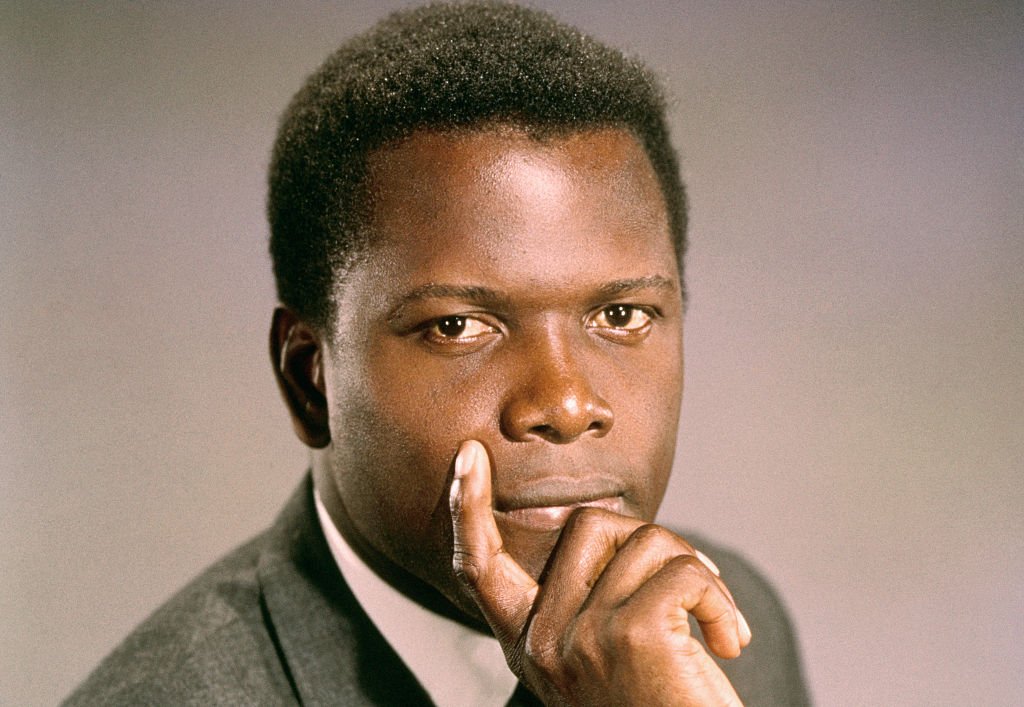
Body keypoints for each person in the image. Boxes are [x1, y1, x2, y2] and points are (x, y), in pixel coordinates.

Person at [64, 3, 809, 705]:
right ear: (309, 379)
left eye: (621, 313)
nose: (566, 403)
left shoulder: (724, 622)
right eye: (457, 327)